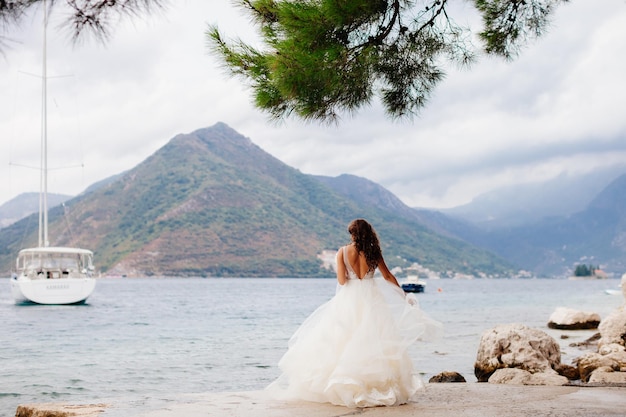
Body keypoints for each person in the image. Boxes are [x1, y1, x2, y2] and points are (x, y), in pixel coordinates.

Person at [266, 219, 443, 408]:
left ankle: (345, 387)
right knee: (375, 340)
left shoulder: (342, 252)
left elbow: (342, 281)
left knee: (344, 340)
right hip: (372, 298)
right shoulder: (374, 252)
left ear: (352, 234)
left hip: (349, 299)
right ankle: (375, 386)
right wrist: (403, 294)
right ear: (369, 233)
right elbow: (388, 276)